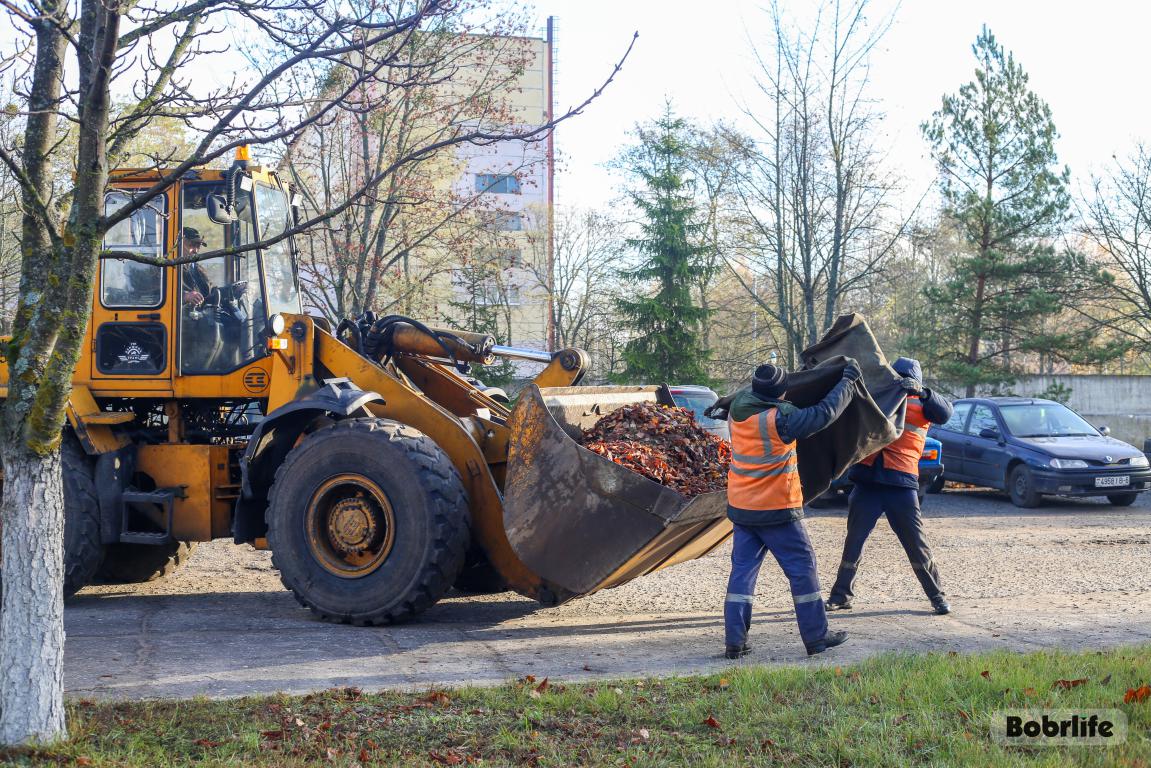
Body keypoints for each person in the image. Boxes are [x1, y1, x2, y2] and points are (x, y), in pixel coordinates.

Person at [723, 361, 860, 659]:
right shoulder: (780, 420)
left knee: (742, 574)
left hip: (742, 507)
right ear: (779, 393)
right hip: (776, 508)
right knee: (802, 570)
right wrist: (847, 382)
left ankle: (735, 641)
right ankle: (817, 636)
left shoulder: (737, 407)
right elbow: (823, 414)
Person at [826, 357, 955, 615]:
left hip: (901, 484)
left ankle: (937, 596)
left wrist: (924, 392)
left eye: (905, 380)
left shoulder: (925, 404)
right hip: (868, 482)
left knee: (916, 544)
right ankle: (841, 596)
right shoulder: (876, 397)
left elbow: (946, 413)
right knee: (854, 542)